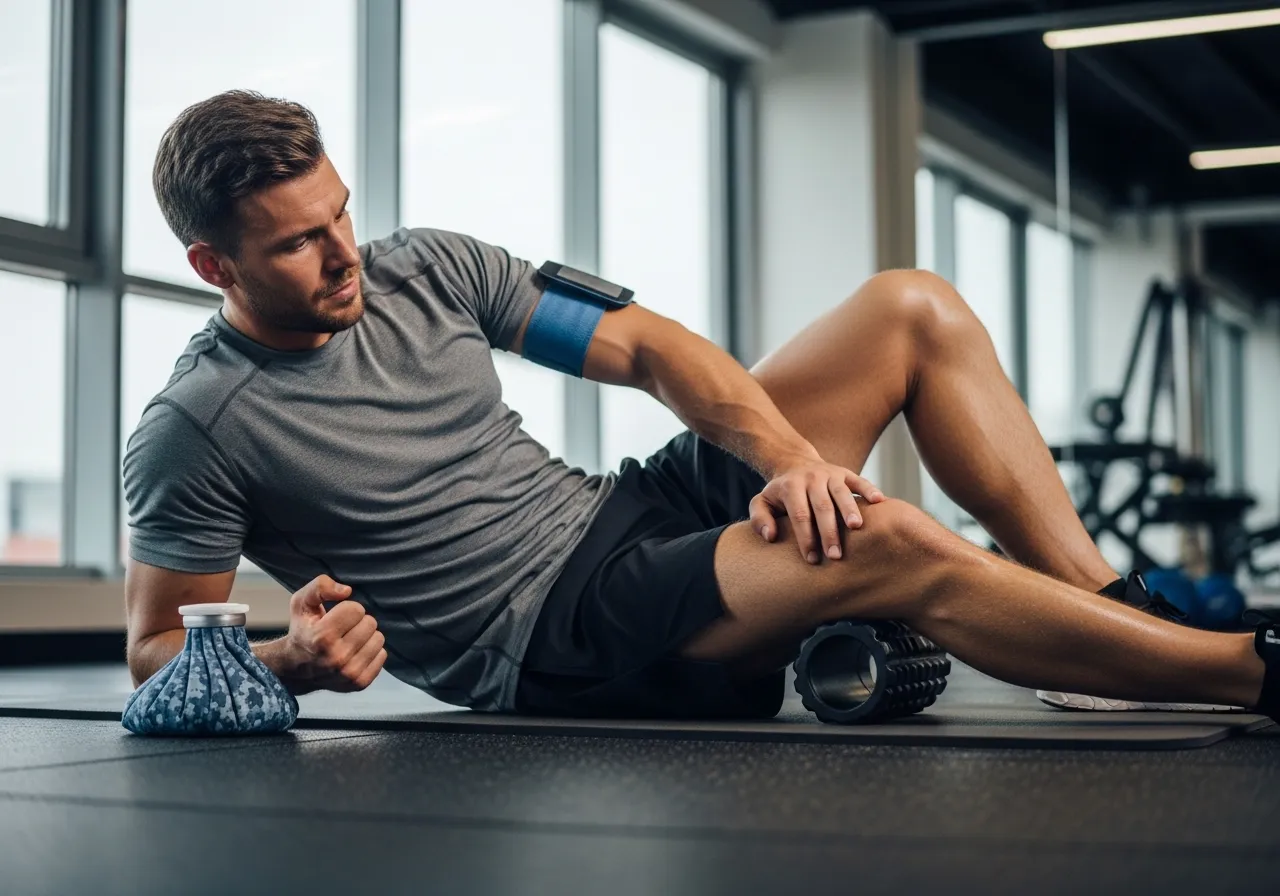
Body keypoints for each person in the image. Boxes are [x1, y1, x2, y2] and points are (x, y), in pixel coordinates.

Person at [122, 90, 1280, 724]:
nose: (344, 254)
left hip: (621, 515)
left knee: (907, 306)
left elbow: (649, 348)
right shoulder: (197, 426)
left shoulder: (424, 266)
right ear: (214, 266)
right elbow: (155, 648)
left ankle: (1099, 618)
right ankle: (1251, 671)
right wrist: (292, 658)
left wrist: (786, 460)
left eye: (340, 212)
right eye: (298, 243)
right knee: (882, 536)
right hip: (556, 635)